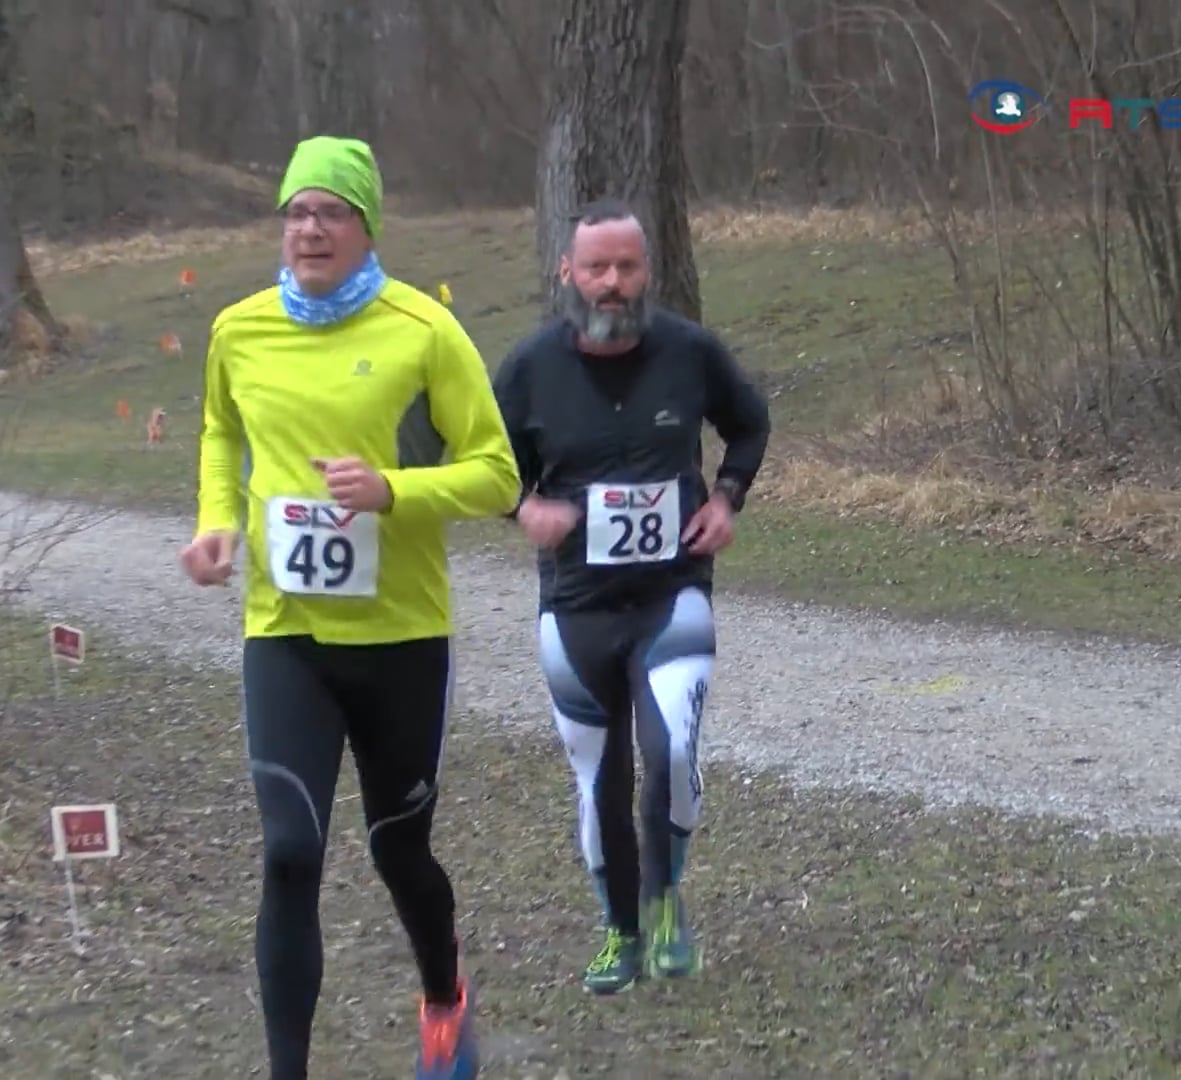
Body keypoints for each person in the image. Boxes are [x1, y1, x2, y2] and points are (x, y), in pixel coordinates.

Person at [177, 134, 521, 1080]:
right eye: (296, 211)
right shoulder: (238, 329)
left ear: (367, 228)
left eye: (331, 211)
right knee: (290, 850)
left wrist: (393, 491)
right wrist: (216, 523)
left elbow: (497, 474)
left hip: (401, 636)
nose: (310, 228)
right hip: (284, 630)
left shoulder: (423, 329)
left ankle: (445, 1001)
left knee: (399, 850)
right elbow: (220, 432)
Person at [491, 198, 771, 995]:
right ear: (567, 274)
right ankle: (617, 932)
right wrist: (521, 507)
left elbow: (749, 425)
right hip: (575, 606)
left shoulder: (688, 350)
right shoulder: (530, 367)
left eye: (627, 266)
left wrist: (726, 499)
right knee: (600, 779)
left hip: (670, 595)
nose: (612, 283)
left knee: (672, 754)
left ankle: (666, 902)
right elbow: (484, 458)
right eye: (596, 268)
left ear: (648, 270)